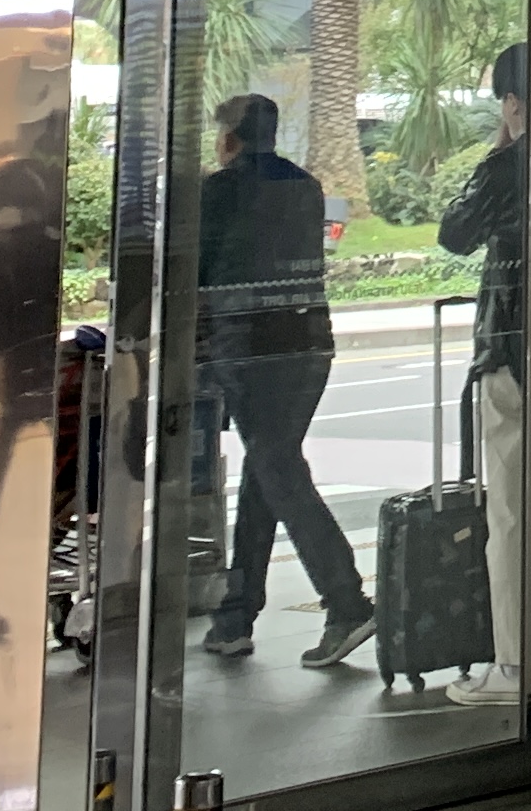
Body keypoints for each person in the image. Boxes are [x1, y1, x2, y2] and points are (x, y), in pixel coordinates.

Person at [198, 93, 374, 668]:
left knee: (276, 469)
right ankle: (236, 615)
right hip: (308, 344)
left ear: (229, 138)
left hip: (249, 349)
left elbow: (197, 273)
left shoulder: (218, 191)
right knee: (267, 468)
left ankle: (347, 602)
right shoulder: (305, 186)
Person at [438, 43, 531, 707]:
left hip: (511, 351)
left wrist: (503, 146)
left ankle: (518, 663)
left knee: (512, 511)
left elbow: (455, 233)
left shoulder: (508, 166)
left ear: (512, 102)